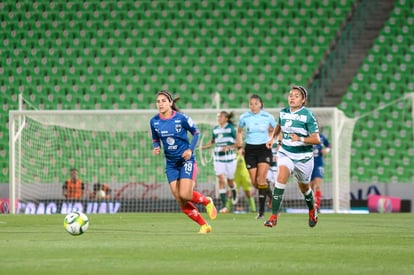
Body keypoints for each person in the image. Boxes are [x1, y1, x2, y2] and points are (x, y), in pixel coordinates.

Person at [150, 90, 217, 234]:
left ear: (170, 103)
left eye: (163, 101)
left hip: (186, 160)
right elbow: (155, 139)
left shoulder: (182, 118)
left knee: (185, 194)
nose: (160, 104)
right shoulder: (154, 121)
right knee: (180, 200)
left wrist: (190, 150)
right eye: (158, 101)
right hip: (171, 164)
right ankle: (204, 225)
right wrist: (156, 147)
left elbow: (196, 133)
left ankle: (206, 201)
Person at [264, 85, 320, 228]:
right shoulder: (283, 112)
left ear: (303, 100)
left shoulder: (308, 115)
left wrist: (300, 139)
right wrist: (272, 139)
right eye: (290, 95)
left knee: (305, 189)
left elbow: (316, 139)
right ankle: (273, 217)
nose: (292, 98)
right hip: (286, 153)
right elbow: (279, 126)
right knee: (281, 178)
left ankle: (312, 209)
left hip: (304, 158)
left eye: (296, 96)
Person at [236, 94, 276, 219]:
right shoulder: (244, 117)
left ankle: (261, 212)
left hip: (264, 149)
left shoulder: (268, 116)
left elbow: (277, 129)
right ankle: (271, 195)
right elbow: (239, 131)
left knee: (261, 180)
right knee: (255, 183)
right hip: (250, 150)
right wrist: (239, 147)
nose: (253, 106)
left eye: (256, 103)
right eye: (251, 104)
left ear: (260, 104)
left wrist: (274, 141)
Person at [200, 111, 238, 213]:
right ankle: (225, 206)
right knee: (221, 179)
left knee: (230, 180)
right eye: (218, 116)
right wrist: (203, 146)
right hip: (218, 158)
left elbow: (238, 143)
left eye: (221, 116)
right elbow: (213, 142)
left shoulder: (231, 128)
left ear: (226, 118)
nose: (218, 118)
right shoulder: (216, 129)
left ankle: (233, 189)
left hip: (230, 158)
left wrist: (228, 147)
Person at [310, 131, 331, 210]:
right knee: (310, 186)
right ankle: (311, 206)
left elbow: (329, 145)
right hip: (308, 164)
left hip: (319, 164)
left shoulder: (321, 137)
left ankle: (317, 206)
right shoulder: (306, 137)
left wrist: (327, 150)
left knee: (318, 185)